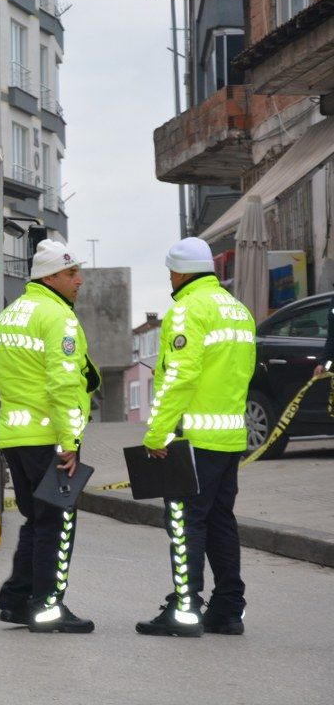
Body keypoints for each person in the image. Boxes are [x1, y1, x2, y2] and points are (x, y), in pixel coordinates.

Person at [137, 237, 255, 637]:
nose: (170, 277)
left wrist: (157, 433)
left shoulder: (187, 310)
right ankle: (228, 609)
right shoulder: (239, 311)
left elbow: (179, 377)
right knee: (221, 520)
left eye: (171, 270)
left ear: (184, 271)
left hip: (194, 439)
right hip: (230, 438)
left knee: (186, 523)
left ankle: (186, 609)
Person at [0, 239, 100, 634]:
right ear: (50, 277)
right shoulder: (59, 319)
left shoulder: (10, 315)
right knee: (57, 523)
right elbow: (65, 383)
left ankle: (17, 600)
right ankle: (48, 606)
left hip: (15, 438)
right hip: (49, 437)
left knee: (36, 520)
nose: (79, 280)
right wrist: (69, 441)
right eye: (71, 273)